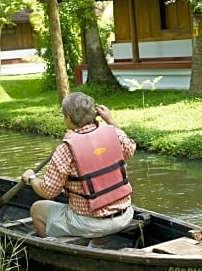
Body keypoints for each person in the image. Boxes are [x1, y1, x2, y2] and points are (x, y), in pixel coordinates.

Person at [22, 92, 135, 244]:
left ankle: (55, 251)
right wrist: (110, 120)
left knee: (37, 209)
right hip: (126, 215)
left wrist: (31, 178)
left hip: (91, 223)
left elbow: (48, 192)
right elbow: (130, 149)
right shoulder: (113, 132)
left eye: (64, 116)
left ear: (68, 118)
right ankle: (95, 246)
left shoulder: (66, 149)